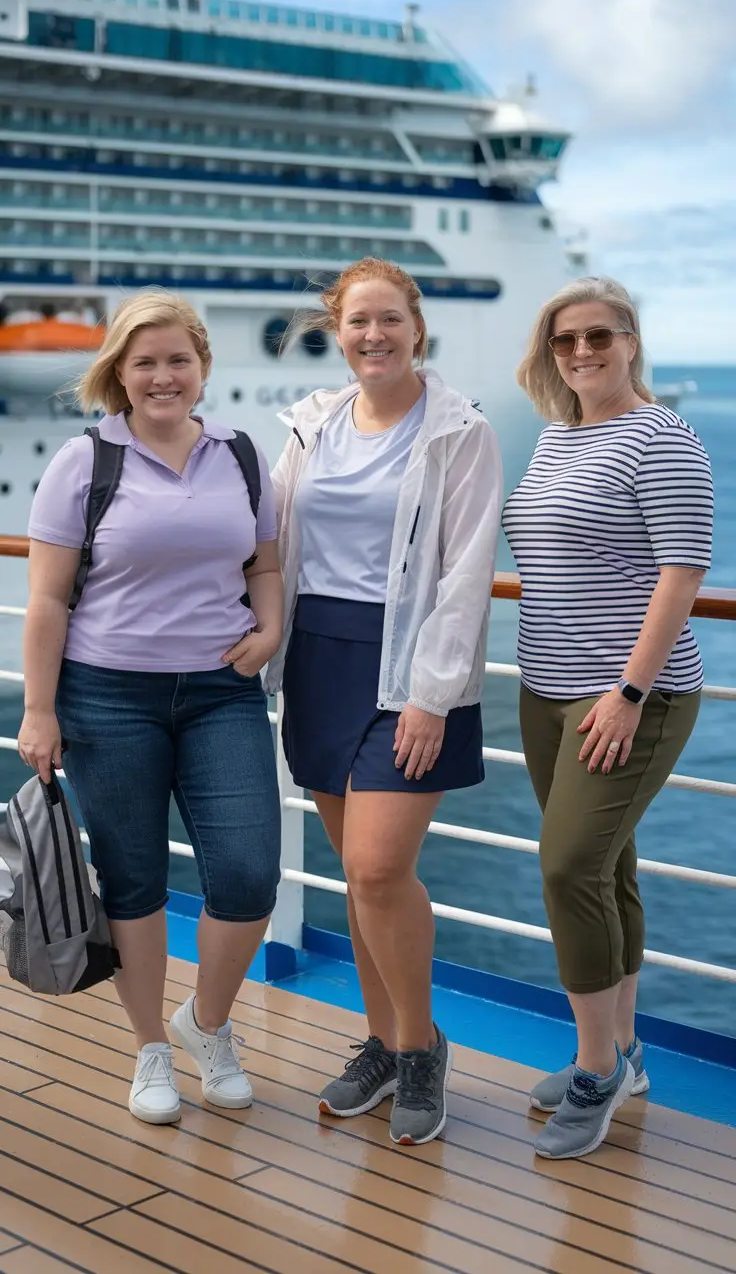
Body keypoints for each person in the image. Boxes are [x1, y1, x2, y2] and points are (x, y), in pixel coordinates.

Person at [19, 290, 283, 1126]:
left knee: (247, 875)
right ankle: (150, 1051)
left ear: (202, 365)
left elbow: (265, 565)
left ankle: (206, 1025)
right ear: (119, 374)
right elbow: (48, 602)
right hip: (107, 696)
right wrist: (39, 709)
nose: (164, 376)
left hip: (222, 693)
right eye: (145, 363)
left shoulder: (240, 454)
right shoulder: (84, 461)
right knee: (132, 881)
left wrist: (270, 627)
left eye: (178, 359)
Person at [264, 257, 503, 1147]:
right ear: (339, 328)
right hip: (320, 662)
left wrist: (432, 695)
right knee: (357, 878)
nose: (375, 335)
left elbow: (467, 570)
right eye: (358, 321)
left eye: (390, 319)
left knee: (375, 868)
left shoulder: (459, 430)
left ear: (417, 326)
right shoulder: (312, 427)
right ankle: (381, 1039)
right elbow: (274, 540)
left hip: (410, 670)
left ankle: (421, 1048)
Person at [503, 276, 713, 1160]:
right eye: (565, 340)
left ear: (631, 340)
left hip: (633, 698)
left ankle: (595, 1070)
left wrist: (628, 694)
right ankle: (624, 1053)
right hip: (545, 692)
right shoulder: (558, 437)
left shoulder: (662, 437)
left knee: (565, 869)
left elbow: (682, 572)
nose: (582, 352)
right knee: (607, 869)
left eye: (599, 336)